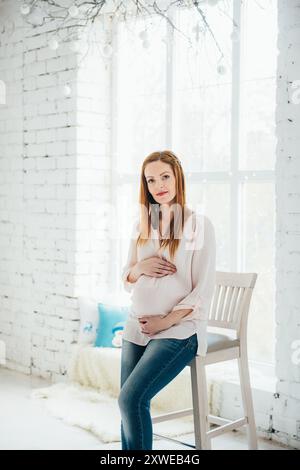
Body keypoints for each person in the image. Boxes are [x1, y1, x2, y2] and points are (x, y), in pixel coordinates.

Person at [118, 150, 216, 450]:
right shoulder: (141, 225)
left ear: (178, 178)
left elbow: (204, 288)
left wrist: (166, 320)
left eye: (165, 176)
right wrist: (139, 268)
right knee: (126, 405)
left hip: (179, 329)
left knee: (131, 398)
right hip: (138, 325)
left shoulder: (198, 225)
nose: (158, 185)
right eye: (150, 180)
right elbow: (125, 278)